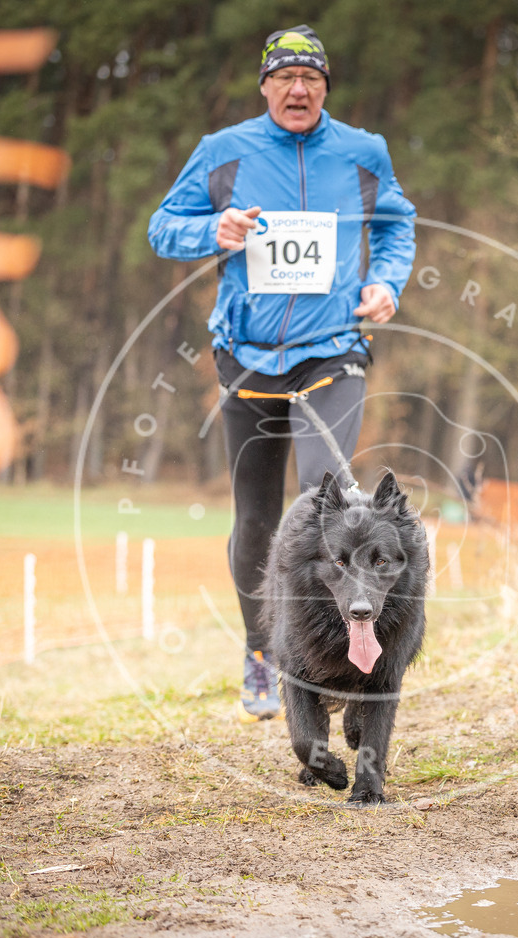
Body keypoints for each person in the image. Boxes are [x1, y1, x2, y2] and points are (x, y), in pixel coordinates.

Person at [148, 25, 416, 722]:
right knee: (258, 516)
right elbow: (162, 226)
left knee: (325, 498)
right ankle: (263, 652)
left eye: (311, 78)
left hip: (332, 349)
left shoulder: (363, 152)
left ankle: (342, 657)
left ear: (326, 87)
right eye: (285, 78)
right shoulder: (223, 152)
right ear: (265, 86)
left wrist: (386, 283)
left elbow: (396, 224)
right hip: (247, 355)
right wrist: (211, 230)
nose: (298, 89)